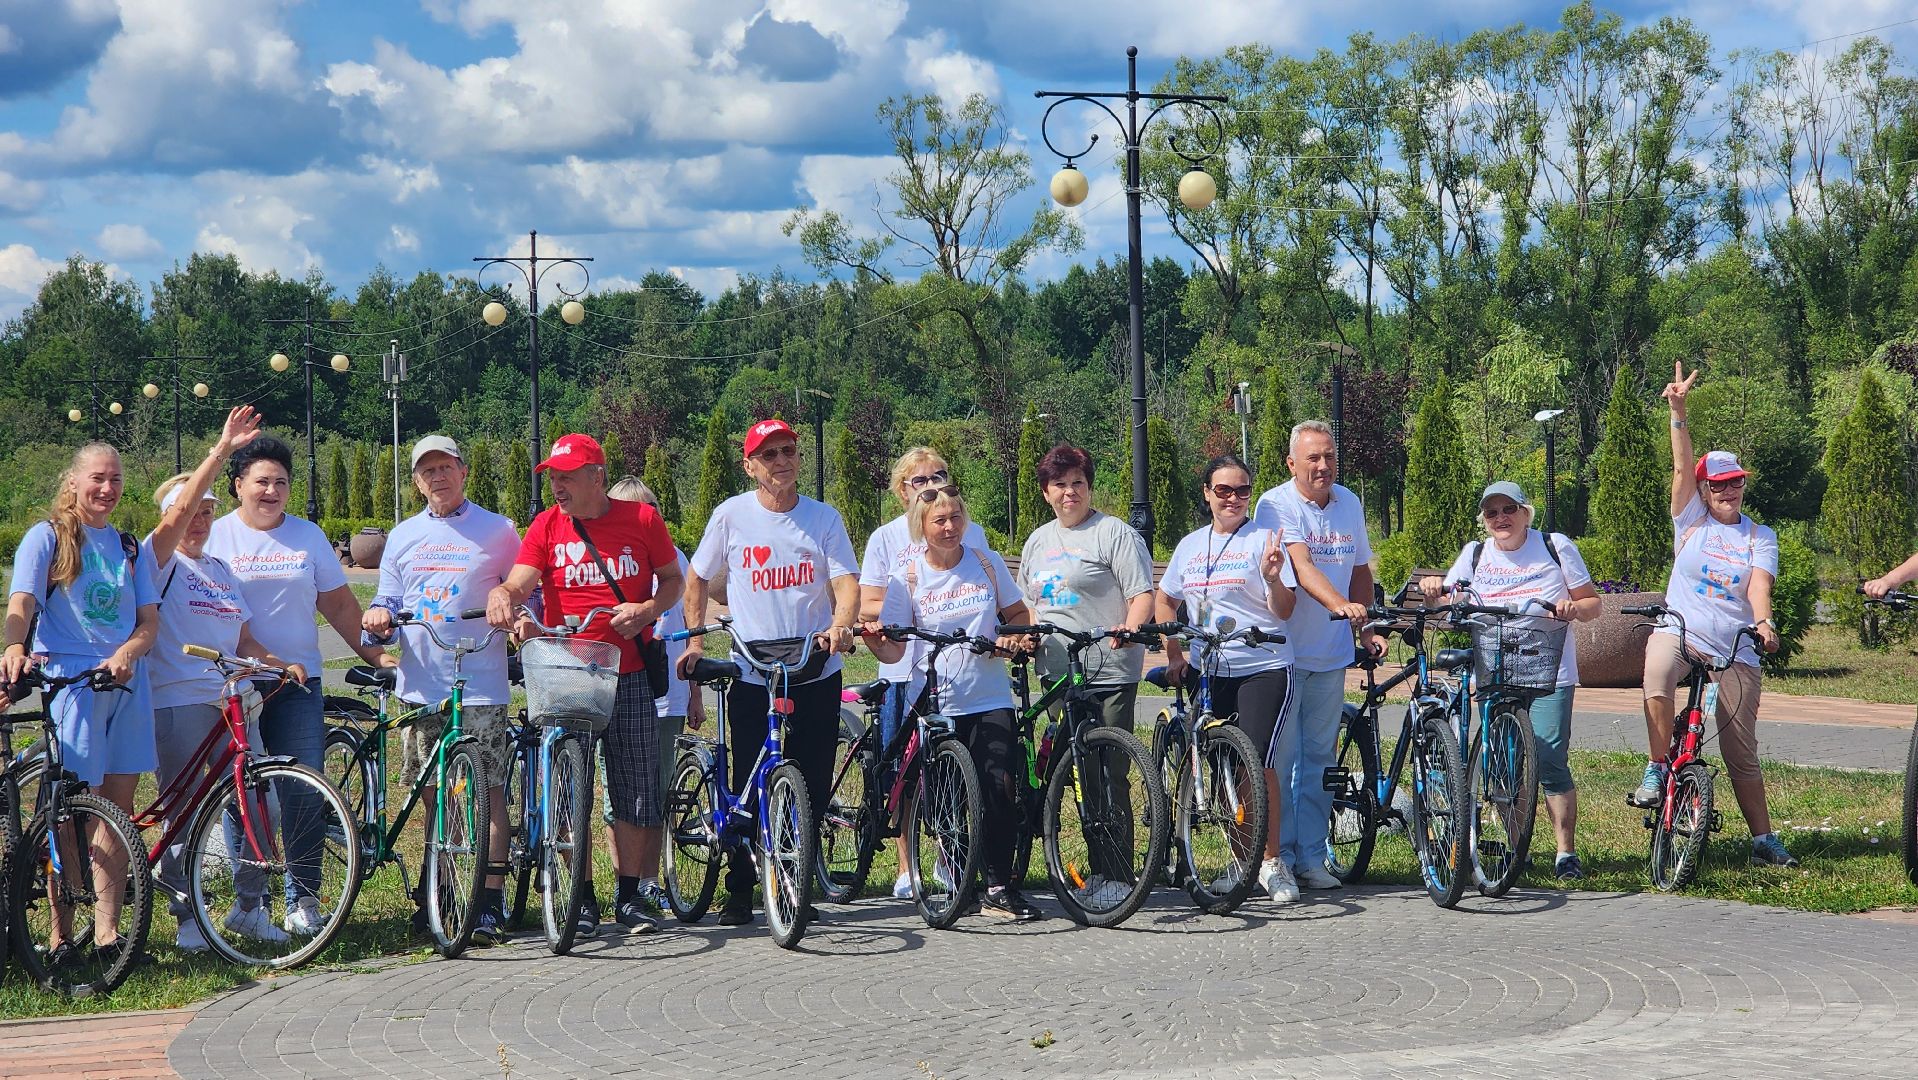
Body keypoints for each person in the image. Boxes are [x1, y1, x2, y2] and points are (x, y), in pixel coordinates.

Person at [485, 434, 683, 936]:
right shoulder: (548, 525)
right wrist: (504, 594)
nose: (556, 485)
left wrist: (647, 611)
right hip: (566, 670)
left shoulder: (642, 520)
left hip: (629, 670)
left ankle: (632, 894)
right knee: (571, 789)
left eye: (566, 476)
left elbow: (672, 581)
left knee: (636, 785)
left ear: (597, 476)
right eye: (552, 476)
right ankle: (580, 895)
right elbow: (521, 580)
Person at [205, 434, 392, 934]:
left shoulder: (307, 537)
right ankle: (251, 904)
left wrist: (377, 655)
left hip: (297, 682)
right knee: (243, 793)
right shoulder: (216, 536)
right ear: (238, 484)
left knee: (303, 791)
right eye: (261, 481)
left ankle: (303, 900)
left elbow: (339, 607)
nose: (271, 491)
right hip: (236, 684)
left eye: (281, 483)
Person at [143, 406, 313, 950]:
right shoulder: (159, 563)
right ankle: (187, 914)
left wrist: (277, 663)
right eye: (191, 511)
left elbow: (243, 640)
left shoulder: (219, 570)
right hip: (181, 701)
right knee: (185, 810)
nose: (199, 521)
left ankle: (249, 906)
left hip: (234, 701)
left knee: (260, 803)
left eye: (207, 513)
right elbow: (175, 519)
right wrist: (219, 453)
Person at [680, 418, 859, 927]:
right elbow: (696, 579)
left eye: (789, 451)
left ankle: (795, 884)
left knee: (813, 780)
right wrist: (695, 639)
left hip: (814, 665)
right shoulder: (731, 516)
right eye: (769, 454)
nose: (782, 461)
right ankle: (740, 889)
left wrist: (842, 625)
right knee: (748, 777)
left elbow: (846, 582)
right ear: (750, 465)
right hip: (752, 668)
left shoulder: (823, 518)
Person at [1, 441, 159, 960]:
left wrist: (127, 653)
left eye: (115, 479)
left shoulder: (128, 547)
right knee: (67, 812)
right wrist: (14, 644)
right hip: (72, 682)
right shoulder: (47, 538)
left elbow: (148, 623)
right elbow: (22, 601)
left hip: (124, 683)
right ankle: (60, 934)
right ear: (73, 481)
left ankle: (109, 934)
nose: (107, 488)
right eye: (97, 478)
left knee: (115, 810)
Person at [1635, 362, 1794, 867]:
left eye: (1735, 484)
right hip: (1681, 630)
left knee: (1739, 750)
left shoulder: (1758, 535)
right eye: (1719, 485)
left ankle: (1763, 840)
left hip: (1735, 645)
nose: (1728, 492)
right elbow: (1682, 468)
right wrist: (1677, 411)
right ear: (1704, 491)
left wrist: (1764, 622)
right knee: (1657, 676)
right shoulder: (1691, 522)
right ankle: (1659, 766)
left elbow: (1759, 586)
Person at [363, 436, 520, 943]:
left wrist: (516, 615)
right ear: (416, 481)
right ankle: (444, 891)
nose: (438, 477)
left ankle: (490, 900)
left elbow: (525, 592)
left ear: (464, 470)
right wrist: (378, 617)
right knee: (434, 795)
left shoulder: (498, 530)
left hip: (481, 683)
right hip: (422, 685)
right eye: (427, 470)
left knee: (488, 790)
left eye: (446, 467)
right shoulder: (403, 535)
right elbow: (386, 597)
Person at [866, 484, 1038, 919]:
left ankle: (999, 884)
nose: (949, 527)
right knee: (946, 795)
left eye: (956, 518)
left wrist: (1012, 639)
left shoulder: (985, 561)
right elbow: (896, 649)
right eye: (939, 521)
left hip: (989, 693)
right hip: (937, 700)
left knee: (999, 785)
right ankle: (956, 877)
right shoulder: (907, 579)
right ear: (921, 527)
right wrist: (875, 643)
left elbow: (1017, 615)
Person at [1418, 481, 1600, 880]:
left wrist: (1572, 608)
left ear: (1525, 512)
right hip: (1496, 669)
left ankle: (1565, 853)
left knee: (1549, 758)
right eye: (1492, 512)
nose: (1501, 518)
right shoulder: (1475, 554)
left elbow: (1592, 603)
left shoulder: (1555, 546)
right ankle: (1518, 849)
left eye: (1508, 510)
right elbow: (1451, 603)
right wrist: (1434, 593)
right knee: (1502, 765)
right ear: (1484, 520)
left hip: (1550, 669)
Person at [1155, 453, 1299, 902]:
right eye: (1223, 490)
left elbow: (1286, 609)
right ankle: (1242, 865)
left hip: (1263, 666)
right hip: (1208, 669)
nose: (1233, 498)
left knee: (1254, 763)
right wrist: (1175, 654)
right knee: (1219, 768)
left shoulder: (1264, 540)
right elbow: (1166, 601)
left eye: (1241, 491)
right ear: (1207, 494)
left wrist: (1274, 579)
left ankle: (1273, 865)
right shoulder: (1191, 546)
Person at [1017, 444, 1153, 900]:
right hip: (1058, 673)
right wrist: (1026, 638)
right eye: (1060, 484)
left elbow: (1141, 596)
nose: (1070, 491)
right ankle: (1095, 871)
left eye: (1078, 482)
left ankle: (1117, 876)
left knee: (1111, 771)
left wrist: (1130, 631)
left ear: (1089, 487)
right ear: (1046, 492)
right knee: (1079, 774)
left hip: (1108, 668)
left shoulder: (1113, 533)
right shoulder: (1038, 541)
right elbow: (1032, 607)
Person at [1253, 420, 1380, 891]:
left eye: (1328, 456)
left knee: (1320, 760)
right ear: (1292, 463)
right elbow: (1301, 566)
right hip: (1283, 655)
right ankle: (1278, 858)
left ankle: (1311, 856)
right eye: (1312, 458)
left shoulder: (1349, 502)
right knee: (1280, 762)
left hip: (1330, 655)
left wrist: (1363, 627)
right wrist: (1338, 606)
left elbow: (1361, 568)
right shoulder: (1275, 504)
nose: (1323, 465)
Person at [859, 447, 989, 899]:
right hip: (904, 668)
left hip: (959, 671)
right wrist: (907, 610)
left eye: (940, 475)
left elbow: (982, 584)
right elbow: (869, 603)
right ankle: (905, 865)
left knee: (954, 771)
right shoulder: (886, 538)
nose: (932, 485)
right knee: (907, 772)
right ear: (902, 491)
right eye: (920, 480)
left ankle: (950, 858)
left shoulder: (966, 529)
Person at [605, 474, 704, 917]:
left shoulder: (674, 559)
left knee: (654, 794)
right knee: (615, 799)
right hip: (620, 688)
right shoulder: (613, 558)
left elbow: (687, 634)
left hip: (668, 697)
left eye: (648, 511)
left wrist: (696, 694)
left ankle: (647, 881)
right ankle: (625, 884)